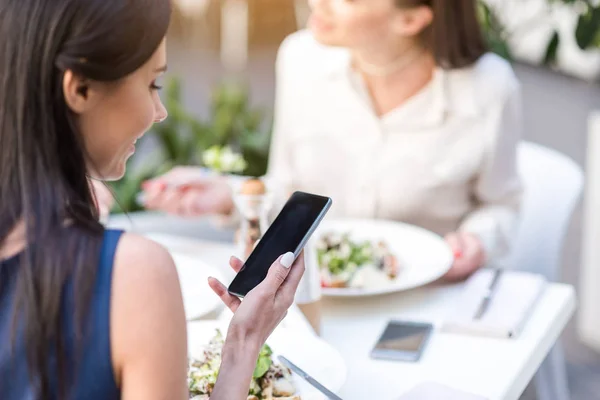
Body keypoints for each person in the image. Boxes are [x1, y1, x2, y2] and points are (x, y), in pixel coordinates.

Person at [0, 1, 305, 399]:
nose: (160, 112)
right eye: (152, 84)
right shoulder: (132, 273)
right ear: (80, 88)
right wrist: (245, 340)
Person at [143, 0, 523, 282]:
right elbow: (290, 192)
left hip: (431, 293)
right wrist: (229, 194)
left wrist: (477, 241)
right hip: (320, 294)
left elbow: (502, 205)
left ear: (411, 18)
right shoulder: (301, 58)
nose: (317, 2)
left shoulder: (489, 88)